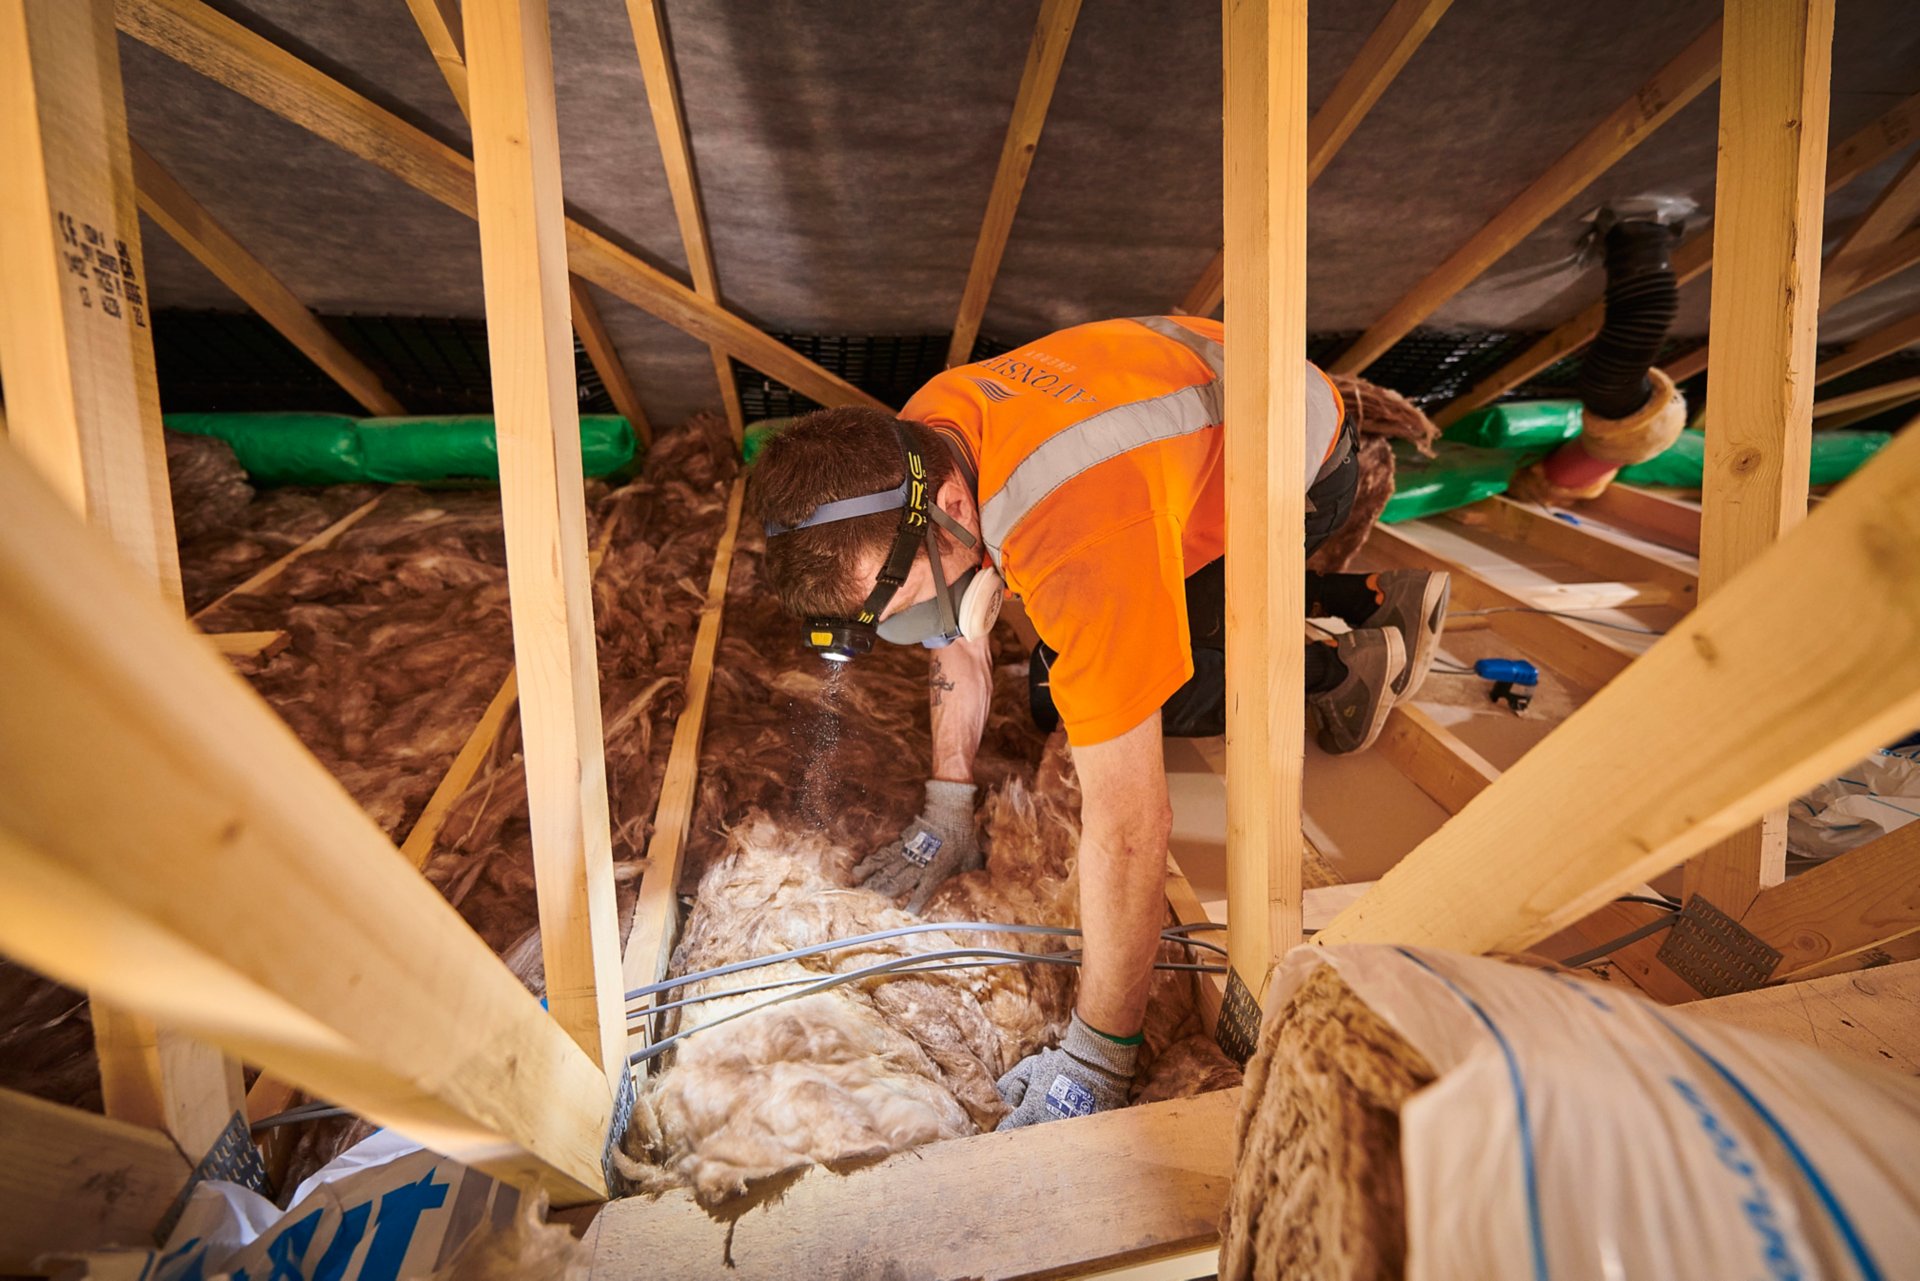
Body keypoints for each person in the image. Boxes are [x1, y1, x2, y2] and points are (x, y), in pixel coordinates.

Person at [751, 315, 1448, 1129]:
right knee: (1067, 674)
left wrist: (1099, 1054)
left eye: (903, 603)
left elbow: (1128, 825)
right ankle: (1361, 597)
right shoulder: (918, 439)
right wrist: (948, 805)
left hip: (1301, 455)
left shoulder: (1074, 533)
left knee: (1096, 690)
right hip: (1191, 409)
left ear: (946, 507)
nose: (916, 631)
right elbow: (958, 636)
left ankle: (1345, 666)